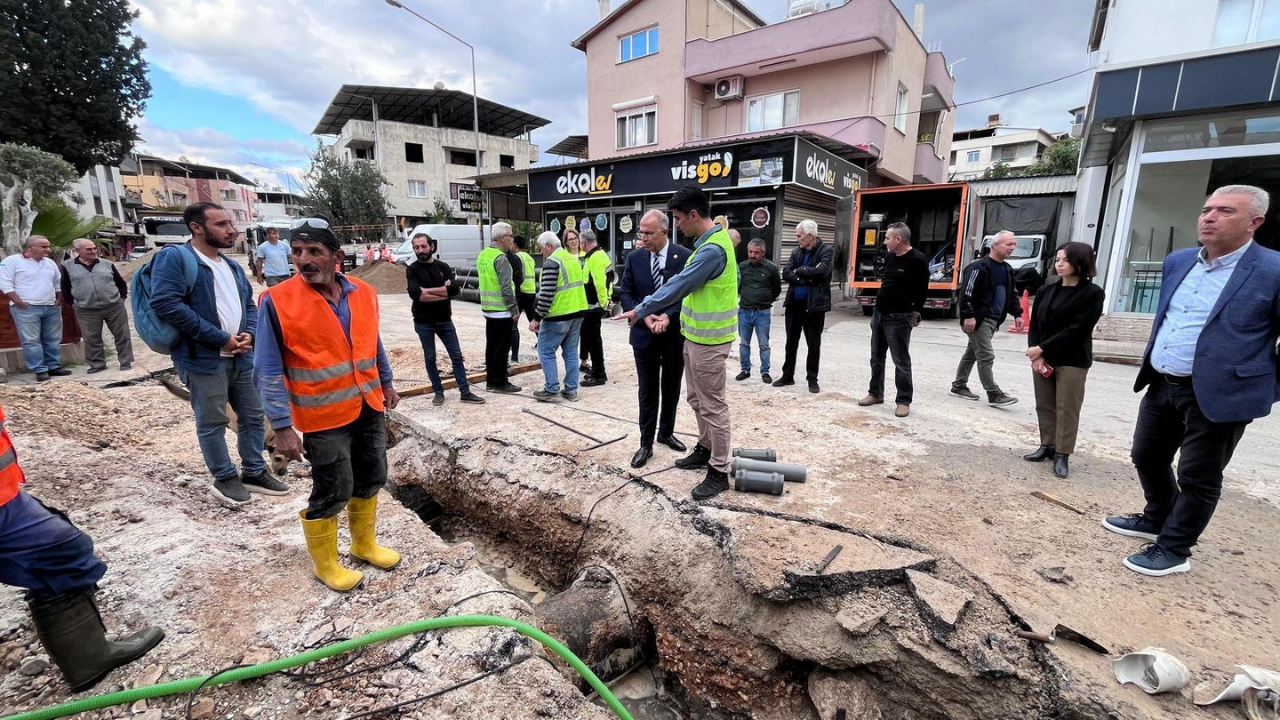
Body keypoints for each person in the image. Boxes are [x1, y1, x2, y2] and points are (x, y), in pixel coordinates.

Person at [1102, 185, 1280, 577]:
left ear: (1254, 222)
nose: (1209, 217)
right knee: (1146, 455)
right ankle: (1157, 516)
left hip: (1221, 393)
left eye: (1225, 211)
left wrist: (1263, 385)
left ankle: (1175, 548)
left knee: (1198, 475)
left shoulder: (1273, 270)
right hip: (1163, 383)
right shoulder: (1179, 261)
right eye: (1206, 209)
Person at [254, 218, 403, 593]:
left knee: (372, 476)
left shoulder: (363, 292)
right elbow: (267, 369)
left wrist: (386, 382)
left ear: (337, 257)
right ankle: (326, 565)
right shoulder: (277, 301)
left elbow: (372, 343)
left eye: (314, 251)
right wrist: (282, 427)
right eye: (297, 252)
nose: (303, 259)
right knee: (334, 488)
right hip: (322, 415)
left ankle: (363, 545)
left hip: (368, 404)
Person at [0, 404, 165, 690]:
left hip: (6, 495)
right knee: (61, 552)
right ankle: (88, 661)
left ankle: (88, 660)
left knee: (63, 549)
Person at [150, 202, 285, 504]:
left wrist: (250, 333)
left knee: (252, 416)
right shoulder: (176, 258)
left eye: (230, 223)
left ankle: (253, 471)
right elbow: (166, 303)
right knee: (212, 421)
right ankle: (224, 477)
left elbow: (249, 305)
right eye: (221, 224)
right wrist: (219, 339)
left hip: (241, 356)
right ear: (197, 227)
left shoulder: (231, 266)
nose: (231, 230)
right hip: (203, 359)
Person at [616, 185, 738, 500]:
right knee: (697, 400)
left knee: (713, 406)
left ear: (694, 215)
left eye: (679, 219)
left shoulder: (711, 250)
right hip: (695, 338)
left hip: (709, 341)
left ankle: (719, 470)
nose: (678, 225)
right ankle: (706, 448)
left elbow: (679, 286)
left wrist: (642, 309)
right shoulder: (707, 244)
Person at [1024, 242, 1105, 479]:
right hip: (1043, 358)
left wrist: (1041, 348)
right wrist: (1036, 353)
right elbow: (1036, 324)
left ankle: (1062, 453)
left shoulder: (1092, 293)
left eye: (1066, 260)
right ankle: (1047, 445)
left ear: (1081, 262)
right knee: (1044, 404)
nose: (1059, 264)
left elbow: (1078, 329)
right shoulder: (1046, 291)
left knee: (1067, 408)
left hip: (1072, 359)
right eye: (1058, 259)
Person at [619, 209, 692, 468]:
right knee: (647, 390)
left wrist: (669, 317)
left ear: (665, 232)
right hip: (644, 335)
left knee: (671, 388)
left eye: (649, 233)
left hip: (673, 336)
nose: (643, 238)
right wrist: (644, 315)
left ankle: (666, 432)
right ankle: (645, 443)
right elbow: (626, 293)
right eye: (641, 233)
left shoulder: (684, 257)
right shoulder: (634, 258)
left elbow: (687, 295)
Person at [406, 232, 485, 406]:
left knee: (456, 356)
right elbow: (416, 295)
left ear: (432, 246)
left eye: (423, 246)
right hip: (423, 322)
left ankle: (465, 392)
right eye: (416, 247)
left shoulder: (443, 267)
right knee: (430, 358)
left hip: (444, 320)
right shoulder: (412, 269)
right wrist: (442, 291)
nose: (420, 250)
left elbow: (454, 290)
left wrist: (427, 291)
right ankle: (438, 392)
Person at [860, 222, 929, 418]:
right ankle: (875, 393)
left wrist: (916, 312)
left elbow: (922, 289)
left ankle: (903, 401)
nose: (885, 242)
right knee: (876, 358)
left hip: (899, 317)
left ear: (899, 239)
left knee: (901, 361)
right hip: (880, 314)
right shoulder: (890, 257)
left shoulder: (917, 260)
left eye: (887, 238)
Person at [950, 230, 1024, 407]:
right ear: (995, 245)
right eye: (1009, 244)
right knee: (986, 356)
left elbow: (1011, 295)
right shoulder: (978, 267)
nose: (1012, 247)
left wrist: (1018, 314)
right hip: (979, 320)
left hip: (993, 320)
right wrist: (969, 316)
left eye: (1014, 244)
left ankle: (958, 386)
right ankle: (994, 393)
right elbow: (966, 294)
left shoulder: (1006, 269)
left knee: (972, 353)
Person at [60, 238, 135, 374]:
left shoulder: (107, 264)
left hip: (113, 306)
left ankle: (125, 361)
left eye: (94, 248)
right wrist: (74, 304)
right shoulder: (67, 266)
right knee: (91, 338)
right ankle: (97, 364)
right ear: (78, 250)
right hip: (86, 309)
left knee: (122, 335)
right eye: (89, 249)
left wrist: (121, 299)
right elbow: (65, 288)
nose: (93, 251)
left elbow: (120, 283)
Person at [529, 232, 589, 402]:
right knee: (570, 352)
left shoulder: (552, 262)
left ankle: (552, 390)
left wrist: (536, 318)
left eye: (541, 248)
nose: (541, 252)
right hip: (578, 311)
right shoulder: (572, 259)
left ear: (549, 246)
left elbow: (546, 294)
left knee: (545, 351)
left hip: (558, 315)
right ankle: (571, 390)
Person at [776, 220, 833, 393]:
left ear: (809, 236)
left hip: (814, 306)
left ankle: (812, 379)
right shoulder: (796, 252)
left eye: (799, 236)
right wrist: (805, 278)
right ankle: (787, 376)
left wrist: (799, 270)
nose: (797, 239)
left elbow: (821, 272)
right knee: (790, 343)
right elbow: (786, 273)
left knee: (813, 345)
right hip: (794, 304)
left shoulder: (826, 250)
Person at [1, 235, 69, 381]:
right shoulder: (11, 261)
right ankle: (39, 369)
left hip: (50, 306)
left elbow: (57, 281)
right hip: (26, 308)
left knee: (52, 339)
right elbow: (5, 283)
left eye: (48, 246)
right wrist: (18, 301)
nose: (48, 249)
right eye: (44, 247)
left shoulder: (49, 262)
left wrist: (59, 297)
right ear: (30, 247)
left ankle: (53, 366)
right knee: (31, 340)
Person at [477, 223, 522, 394]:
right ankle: (501, 382)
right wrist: (514, 309)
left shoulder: (484, 254)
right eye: (511, 235)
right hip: (502, 310)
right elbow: (506, 287)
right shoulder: (500, 258)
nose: (513, 239)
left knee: (491, 346)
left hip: (488, 309)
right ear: (503, 238)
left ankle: (491, 380)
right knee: (502, 348)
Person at [735, 239, 781, 384]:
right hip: (744, 311)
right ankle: (745, 369)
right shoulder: (742, 267)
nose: (753, 255)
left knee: (764, 344)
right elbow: (737, 286)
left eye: (756, 252)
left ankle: (765, 371)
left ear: (763, 253)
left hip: (762, 312)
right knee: (744, 343)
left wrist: (765, 300)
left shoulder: (771, 268)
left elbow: (777, 289)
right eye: (750, 252)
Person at [580, 229, 614, 387]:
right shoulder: (598, 255)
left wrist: (605, 304)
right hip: (592, 306)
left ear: (584, 243)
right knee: (592, 339)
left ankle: (599, 374)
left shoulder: (595, 257)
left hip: (593, 307)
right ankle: (596, 371)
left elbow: (600, 284)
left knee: (594, 341)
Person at [511, 234, 538, 362]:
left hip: (521, 292)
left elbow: (517, 277)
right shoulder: (529, 258)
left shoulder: (517, 257)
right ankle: (543, 344)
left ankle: (514, 356)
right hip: (531, 292)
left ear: (515, 244)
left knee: (513, 325)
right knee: (534, 320)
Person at [506, 237, 527, 363]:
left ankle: (512, 357)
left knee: (511, 328)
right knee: (512, 328)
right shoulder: (516, 258)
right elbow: (520, 278)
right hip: (523, 294)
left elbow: (518, 279)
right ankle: (513, 357)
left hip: (515, 297)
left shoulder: (514, 259)